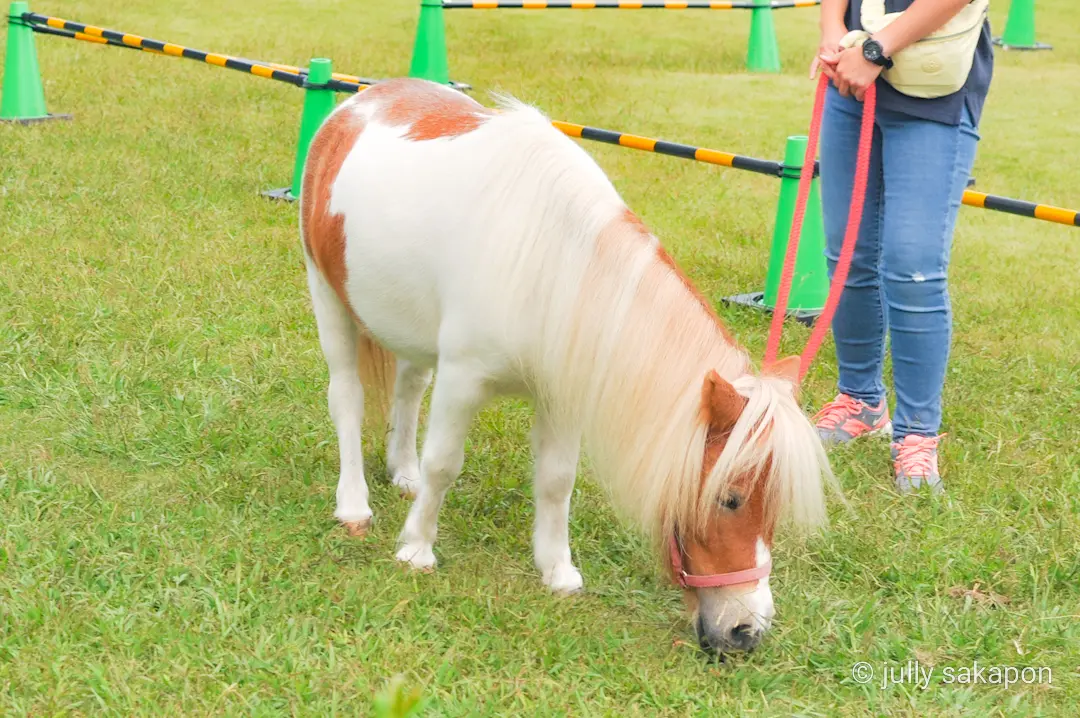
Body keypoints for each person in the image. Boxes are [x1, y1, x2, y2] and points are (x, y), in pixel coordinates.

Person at [809, 0, 993, 493]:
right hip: (851, 76)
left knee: (913, 266)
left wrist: (877, 49)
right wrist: (834, 33)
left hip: (932, 82)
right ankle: (860, 400)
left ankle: (916, 435)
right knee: (847, 253)